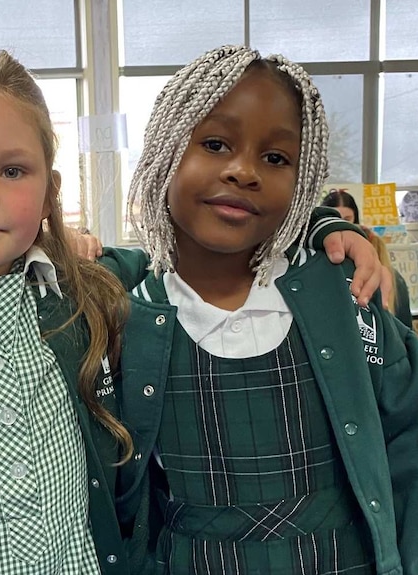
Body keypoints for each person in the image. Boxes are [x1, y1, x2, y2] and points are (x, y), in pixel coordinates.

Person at [0, 49, 389, 575]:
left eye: (12, 171)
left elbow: (198, 248)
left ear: (50, 192)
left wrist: (323, 226)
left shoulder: (90, 295)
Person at [122, 45, 418, 574]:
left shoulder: (344, 294)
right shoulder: (129, 317)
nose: (243, 171)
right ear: (164, 152)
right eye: (214, 143)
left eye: (277, 158)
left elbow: (407, 425)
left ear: (302, 184)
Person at [322, 189, 414, 327]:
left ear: (356, 220)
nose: (339, 226)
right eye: (333, 219)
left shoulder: (391, 276)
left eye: (347, 220)